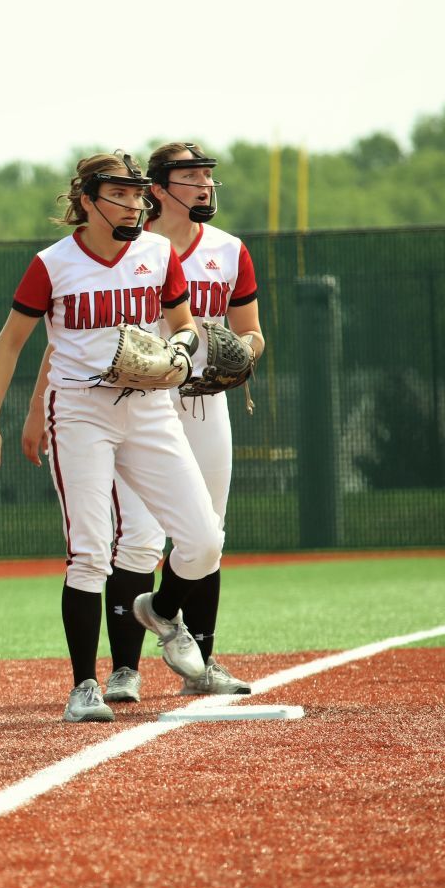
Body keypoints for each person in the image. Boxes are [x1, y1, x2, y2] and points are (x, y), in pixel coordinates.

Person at [0, 151, 222, 724]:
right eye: (121, 194)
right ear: (87, 200)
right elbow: (10, 343)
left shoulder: (157, 253)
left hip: (151, 407)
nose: (135, 203)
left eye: (138, 194)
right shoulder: (53, 264)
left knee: (203, 540)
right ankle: (84, 684)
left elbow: (182, 323)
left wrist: (182, 349)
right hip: (82, 409)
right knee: (89, 549)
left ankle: (159, 610)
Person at [63, 142, 266, 701]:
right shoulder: (133, 246)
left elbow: (250, 331)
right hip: (140, 401)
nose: (204, 185)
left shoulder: (228, 250)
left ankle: (201, 662)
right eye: (192, 175)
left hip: (204, 398)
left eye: (208, 175)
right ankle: (125, 669)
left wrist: (243, 354)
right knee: (138, 538)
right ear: (159, 186)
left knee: (208, 534)